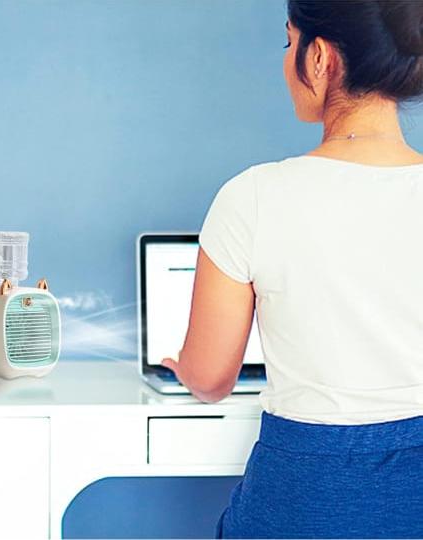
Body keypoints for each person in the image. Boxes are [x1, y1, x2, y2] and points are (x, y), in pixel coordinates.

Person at [160, 0, 423, 537]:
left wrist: (183, 366)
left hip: (305, 498)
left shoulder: (253, 196)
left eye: (289, 42)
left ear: (320, 57)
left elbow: (211, 378)